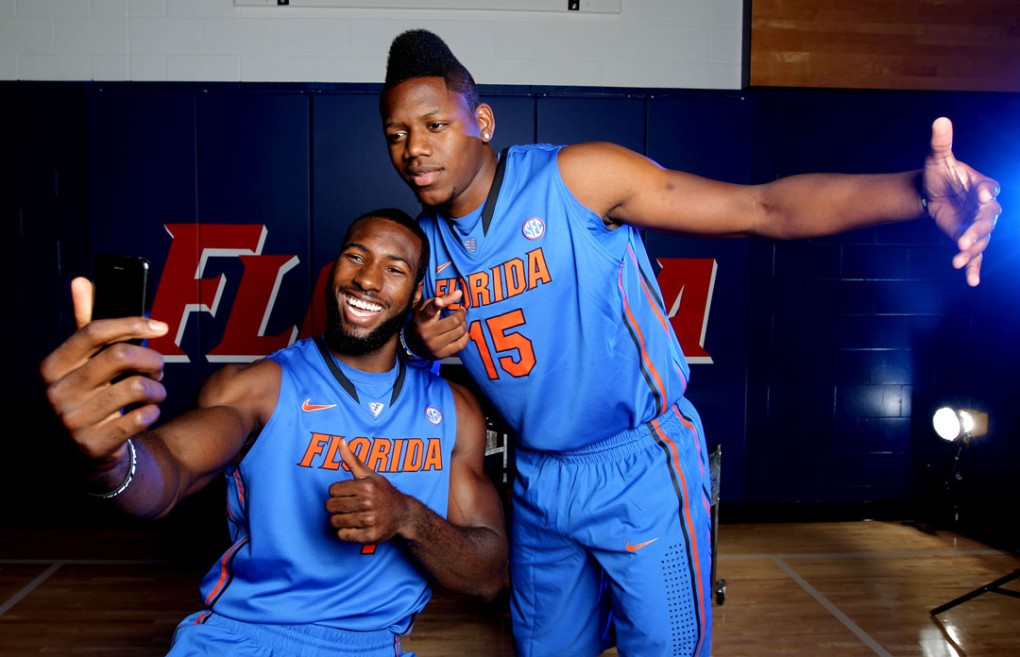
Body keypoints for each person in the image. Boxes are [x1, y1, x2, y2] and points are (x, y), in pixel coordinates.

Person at [377, 29, 1002, 657]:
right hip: (539, 478)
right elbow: (390, 347)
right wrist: (417, 341)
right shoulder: (423, 249)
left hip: (639, 463)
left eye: (434, 125)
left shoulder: (578, 178)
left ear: (480, 120)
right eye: (397, 134)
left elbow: (761, 208)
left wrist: (916, 193)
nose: (415, 149)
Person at [39, 208, 509, 657]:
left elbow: (488, 574)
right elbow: (171, 473)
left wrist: (408, 517)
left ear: (416, 294)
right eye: (355, 256)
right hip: (242, 639)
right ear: (334, 269)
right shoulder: (259, 386)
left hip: (371, 645)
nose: (367, 279)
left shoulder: (452, 411)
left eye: (395, 268)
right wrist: (113, 459)